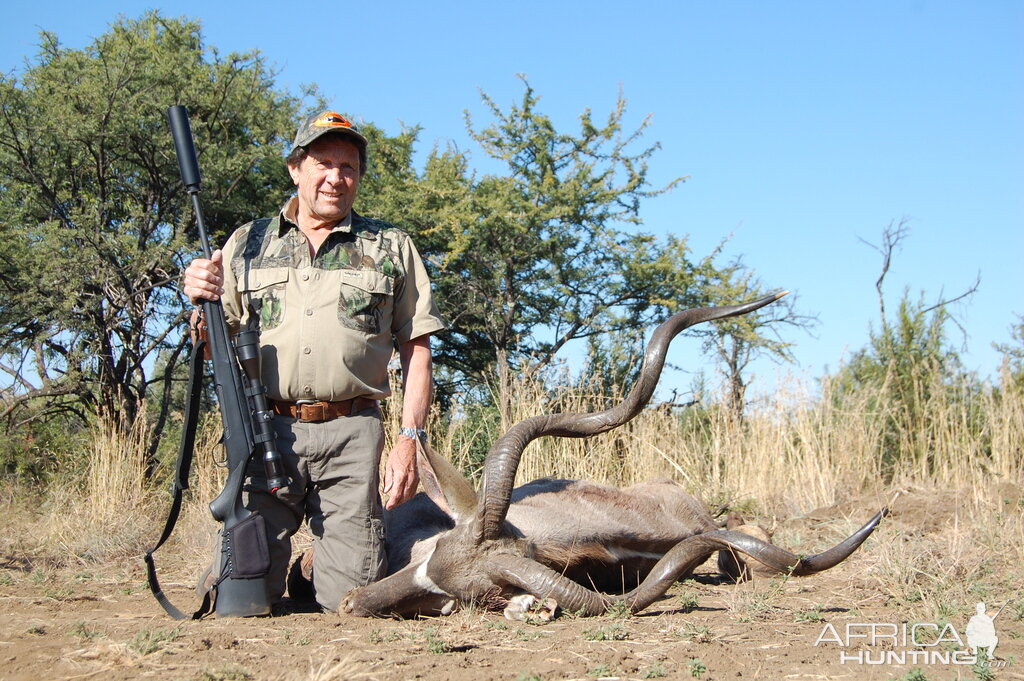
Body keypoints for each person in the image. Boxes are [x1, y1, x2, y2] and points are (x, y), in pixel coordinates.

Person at [182, 109, 446, 612]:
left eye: (348, 167)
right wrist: (200, 303)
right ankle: (249, 570)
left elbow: (417, 348)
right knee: (235, 604)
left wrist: (410, 441)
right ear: (295, 169)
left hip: (352, 436)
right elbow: (216, 344)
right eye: (323, 162)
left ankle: (315, 572)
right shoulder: (248, 242)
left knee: (353, 605)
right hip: (265, 433)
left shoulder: (390, 246)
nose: (335, 177)